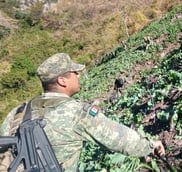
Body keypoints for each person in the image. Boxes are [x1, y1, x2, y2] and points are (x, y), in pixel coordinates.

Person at [0, 53, 165, 171]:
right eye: (74, 72)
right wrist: (149, 146)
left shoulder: (17, 112)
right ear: (62, 80)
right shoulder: (76, 112)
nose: (78, 75)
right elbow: (121, 139)